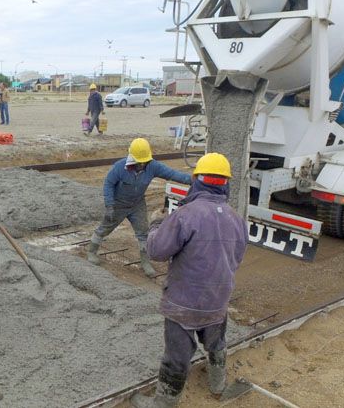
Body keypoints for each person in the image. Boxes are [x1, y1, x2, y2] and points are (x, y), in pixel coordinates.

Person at [130, 153, 247, 408]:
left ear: (196, 180)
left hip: (183, 302)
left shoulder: (185, 215)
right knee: (216, 342)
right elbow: (235, 259)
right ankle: (218, 385)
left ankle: (164, 402)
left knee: (177, 356)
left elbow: (157, 252)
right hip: (218, 300)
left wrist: (155, 225)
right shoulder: (236, 218)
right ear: (226, 183)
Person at [87, 138, 191, 277]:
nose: (142, 164)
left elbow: (172, 174)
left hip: (137, 204)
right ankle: (92, 251)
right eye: (139, 162)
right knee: (105, 227)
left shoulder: (152, 166)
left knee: (143, 233)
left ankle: (145, 262)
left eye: (144, 162)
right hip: (118, 204)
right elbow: (108, 184)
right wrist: (110, 205)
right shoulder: (120, 167)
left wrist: (193, 180)